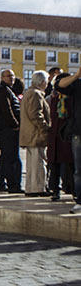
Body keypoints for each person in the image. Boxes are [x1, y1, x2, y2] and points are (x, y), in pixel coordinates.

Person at [0, 69, 23, 193]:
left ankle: (2, 182)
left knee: (5, 157)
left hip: (4, 129)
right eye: (9, 76)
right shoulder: (4, 90)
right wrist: (15, 125)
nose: (12, 78)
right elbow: (7, 110)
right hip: (7, 129)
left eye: (13, 76)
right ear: (2, 77)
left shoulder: (5, 90)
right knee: (11, 157)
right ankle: (12, 184)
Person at [19, 71, 50, 197]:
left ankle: (31, 188)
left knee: (32, 163)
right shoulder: (36, 94)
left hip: (30, 134)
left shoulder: (28, 93)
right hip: (36, 134)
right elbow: (35, 114)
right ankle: (38, 188)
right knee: (38, 163)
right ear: (43, 82)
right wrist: (45, 128)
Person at [56, 65, 81, 213]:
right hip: (79, 131)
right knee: (79, 170)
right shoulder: (78, 84)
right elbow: (59, 85)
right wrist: (77, 75)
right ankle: (80, 200)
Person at [47, 72, 74, 202]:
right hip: (55, 135)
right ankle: (55, 189)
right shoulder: (54, 98)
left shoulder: (70, 97)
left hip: (65, 134)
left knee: (69, 164)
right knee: (54, 164)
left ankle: (71, 188)